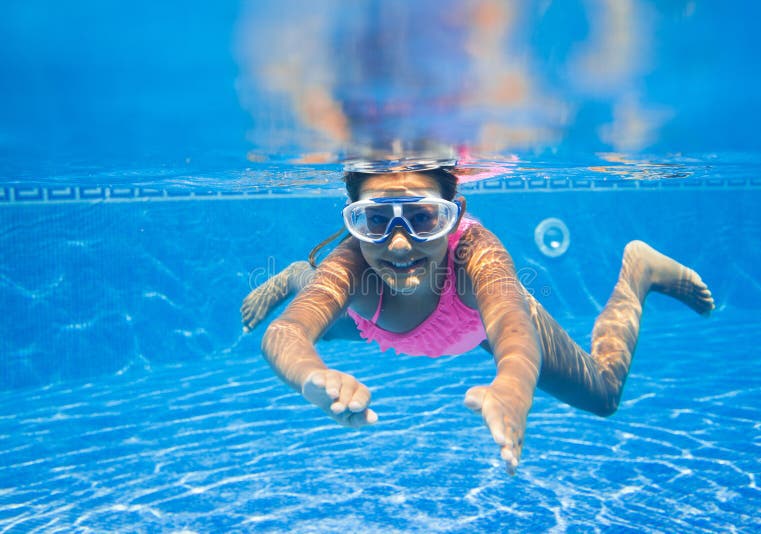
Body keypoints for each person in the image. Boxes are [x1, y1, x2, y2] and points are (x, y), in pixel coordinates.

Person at [240, 167, 714, 474]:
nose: (399, 244)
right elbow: (287, 331)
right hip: (377, 321)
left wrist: (513, 385)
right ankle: (300, 276)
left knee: (605, 394)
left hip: (471, 324)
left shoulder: (476, 256)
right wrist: (311, 375)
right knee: (321, 301)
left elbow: (511, 326)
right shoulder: (352, 266)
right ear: (353, 225)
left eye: (424, 219)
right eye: (375, 221)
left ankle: (640, 270)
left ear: (454, 215)